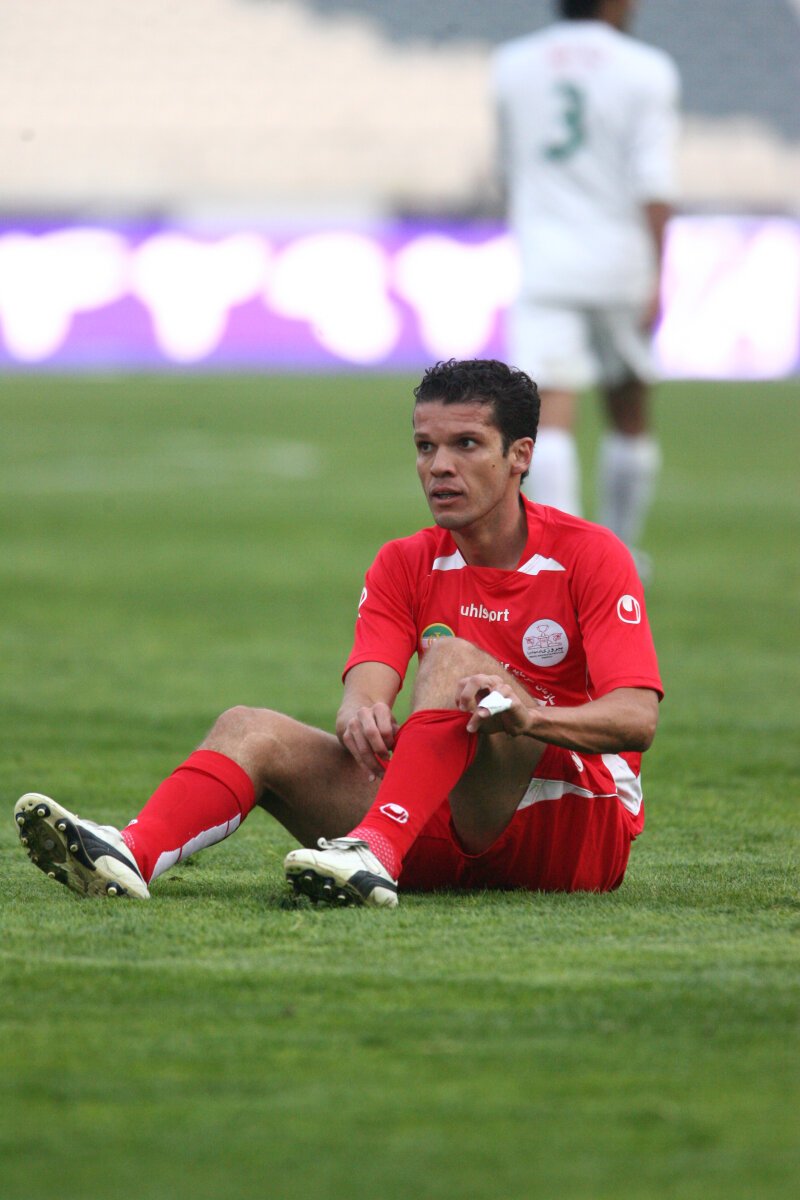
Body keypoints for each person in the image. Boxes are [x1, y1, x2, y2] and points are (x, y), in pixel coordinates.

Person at [14, 358, 662, 909]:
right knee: (250, 728)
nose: (439, 466)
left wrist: (527, 717)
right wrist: (360, 712)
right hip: (432, 825)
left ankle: (374, 849)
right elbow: (367, 686)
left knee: (449, 661)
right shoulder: (403, 561)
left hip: (573, 825)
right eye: (425, 446)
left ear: (520, 455)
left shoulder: (590, 555)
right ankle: (129, 853)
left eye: (465, 444)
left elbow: (636, 719)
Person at [491, 0, 681, 567]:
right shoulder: (647, 69)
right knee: (629, 409)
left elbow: (507, 170)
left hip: (546, 261)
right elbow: (654, 182)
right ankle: (618, 554)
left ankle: (569, 560)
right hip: (622, 261)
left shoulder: (512, 64)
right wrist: (660, 271)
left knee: (549, 410)